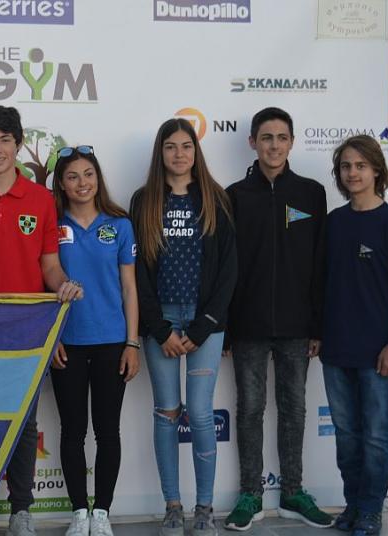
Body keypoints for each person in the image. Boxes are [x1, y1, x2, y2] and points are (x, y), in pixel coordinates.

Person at [0, 105, 83, 536]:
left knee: (24, 423)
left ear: (19, 144)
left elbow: (50, 265)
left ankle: (22, 510)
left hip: (27, 329)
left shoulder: (41, 199)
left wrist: (64, 285)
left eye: (5, 140)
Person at [223, 107, 333, 531]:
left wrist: (317, 325)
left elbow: (319, 263)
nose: (274, 145)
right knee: (250, 409)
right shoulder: (234, 195)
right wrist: (226, 326)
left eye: (281, 137)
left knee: (294, 410)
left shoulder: (311, 193)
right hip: (247, 325)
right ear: (252, 142)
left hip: (296, 325)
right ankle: (250, 494)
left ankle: (293, 492)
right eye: (266, 137)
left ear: (292, 142)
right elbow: (226, 266)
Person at [130, 118, 237, 536]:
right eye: (171, 146)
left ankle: (204, 508)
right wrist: (159, 328)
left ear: (196, 150)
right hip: (161, 320)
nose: (179, 154)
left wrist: (204, 325)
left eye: (186, 146)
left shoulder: (215, 197)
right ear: (160, 153)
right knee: (166, 412)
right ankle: (172, 506)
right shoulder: (144, 201)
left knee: (201, 412)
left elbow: (229, 268)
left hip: (204, 321)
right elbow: (138, 270)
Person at [321, 135, 388, 536]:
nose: (353, 173)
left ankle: (372, 511)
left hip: (379, 351)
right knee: (347, 438)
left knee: (377, 436)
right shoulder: (334, 223)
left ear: (377, 171)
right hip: (336, 349)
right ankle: (354, 505)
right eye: (346, 166)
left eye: (361, 165)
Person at [48, 145, 140, 536]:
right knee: (72, 431)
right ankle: (79, 513)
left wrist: (132, 343)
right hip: (67, 342)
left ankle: (101, 511)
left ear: (98, 179)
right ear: (61, 184)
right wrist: (50, 338)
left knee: (107, 431)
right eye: (72, 176)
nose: (82, 183)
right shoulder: (51, 225)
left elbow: (129, 288)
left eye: (88, 174)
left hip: (111, 342)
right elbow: (43, 284)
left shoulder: (119, 224)